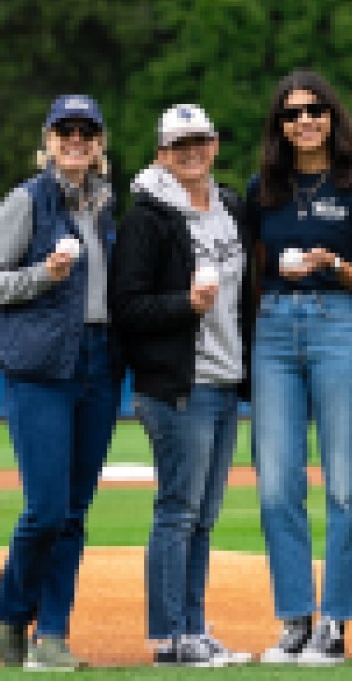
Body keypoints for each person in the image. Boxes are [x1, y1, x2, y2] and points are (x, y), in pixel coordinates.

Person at [248, 69, 352, 665]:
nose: (303, 120)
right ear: (279, 125)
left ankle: (334, 621)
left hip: (340, 321)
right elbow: (255, 272)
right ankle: (294, 619)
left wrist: (332, 263)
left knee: (343, 483)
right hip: (274, 328)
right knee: (276, 484)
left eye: (314, 110)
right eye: (291, 113)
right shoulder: (263, 189)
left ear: (332, 117)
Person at [0, 94, 121, 670]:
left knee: (75, 511)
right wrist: (43, 275)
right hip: (40, 367)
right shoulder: (26, 200)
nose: (76, 139)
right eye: (66, 130)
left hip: (99, 362)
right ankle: (12, 612)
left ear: (100, 142)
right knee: (47, 510)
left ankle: (52, 635)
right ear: (49, 139)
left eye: (86, 130)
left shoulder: (104, 204)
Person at [109, 104, 253, 668]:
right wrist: (185, 305)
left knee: (203, 516)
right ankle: (171, 637)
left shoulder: (230, 207)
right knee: (178, 511)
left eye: (199, 141)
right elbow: (126, 307)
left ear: (214, 145)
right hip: (178, 386)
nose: (191, 152)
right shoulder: (147, 219)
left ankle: (193, 627)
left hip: (224, 381)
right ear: (162, 154)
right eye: (179, 144)